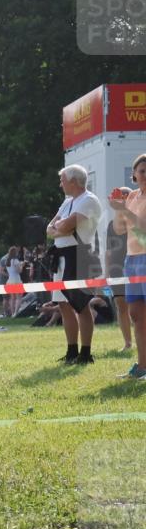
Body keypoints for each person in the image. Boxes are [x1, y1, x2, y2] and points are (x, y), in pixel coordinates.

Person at [47, 165, 102, 365]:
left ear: (73, 181)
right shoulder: (67, 201)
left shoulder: (89, 200)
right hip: (61, 257)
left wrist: (60, 227)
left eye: (62, 180)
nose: (60, 184)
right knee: (63, 304)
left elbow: (65, 225)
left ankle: (85, 353)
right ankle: (72, 351)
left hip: (79, 257)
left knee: (81, 305)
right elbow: (50, 228)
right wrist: (60, 228)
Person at [109, 155, 146, 380]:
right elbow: (120, 229)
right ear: (133, 174)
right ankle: (142, 366)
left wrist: (125, 211)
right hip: (132, 260)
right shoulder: (132, 196)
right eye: (141, 171)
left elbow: (143, 229)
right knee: (136, 315)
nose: (144, 175)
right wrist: (118, 208)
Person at [106, 187, 135, 352]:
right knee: (120, 304)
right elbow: (108, 251)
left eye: (123, 196)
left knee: (138, 306)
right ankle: (128, 343)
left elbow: (123, 229)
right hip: (116, 268)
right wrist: (106, 274)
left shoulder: (134, 220)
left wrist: (121, 208)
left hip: (134, 266)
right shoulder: (111, 224)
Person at [5, 246, 24, 317]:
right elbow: (19, 271)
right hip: (16, 281)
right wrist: (22, 265)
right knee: (19, 297)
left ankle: (12, 313)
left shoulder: (7, 261)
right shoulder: (15, 261)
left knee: (12, 298)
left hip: (9, 281)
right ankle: (16, 312)